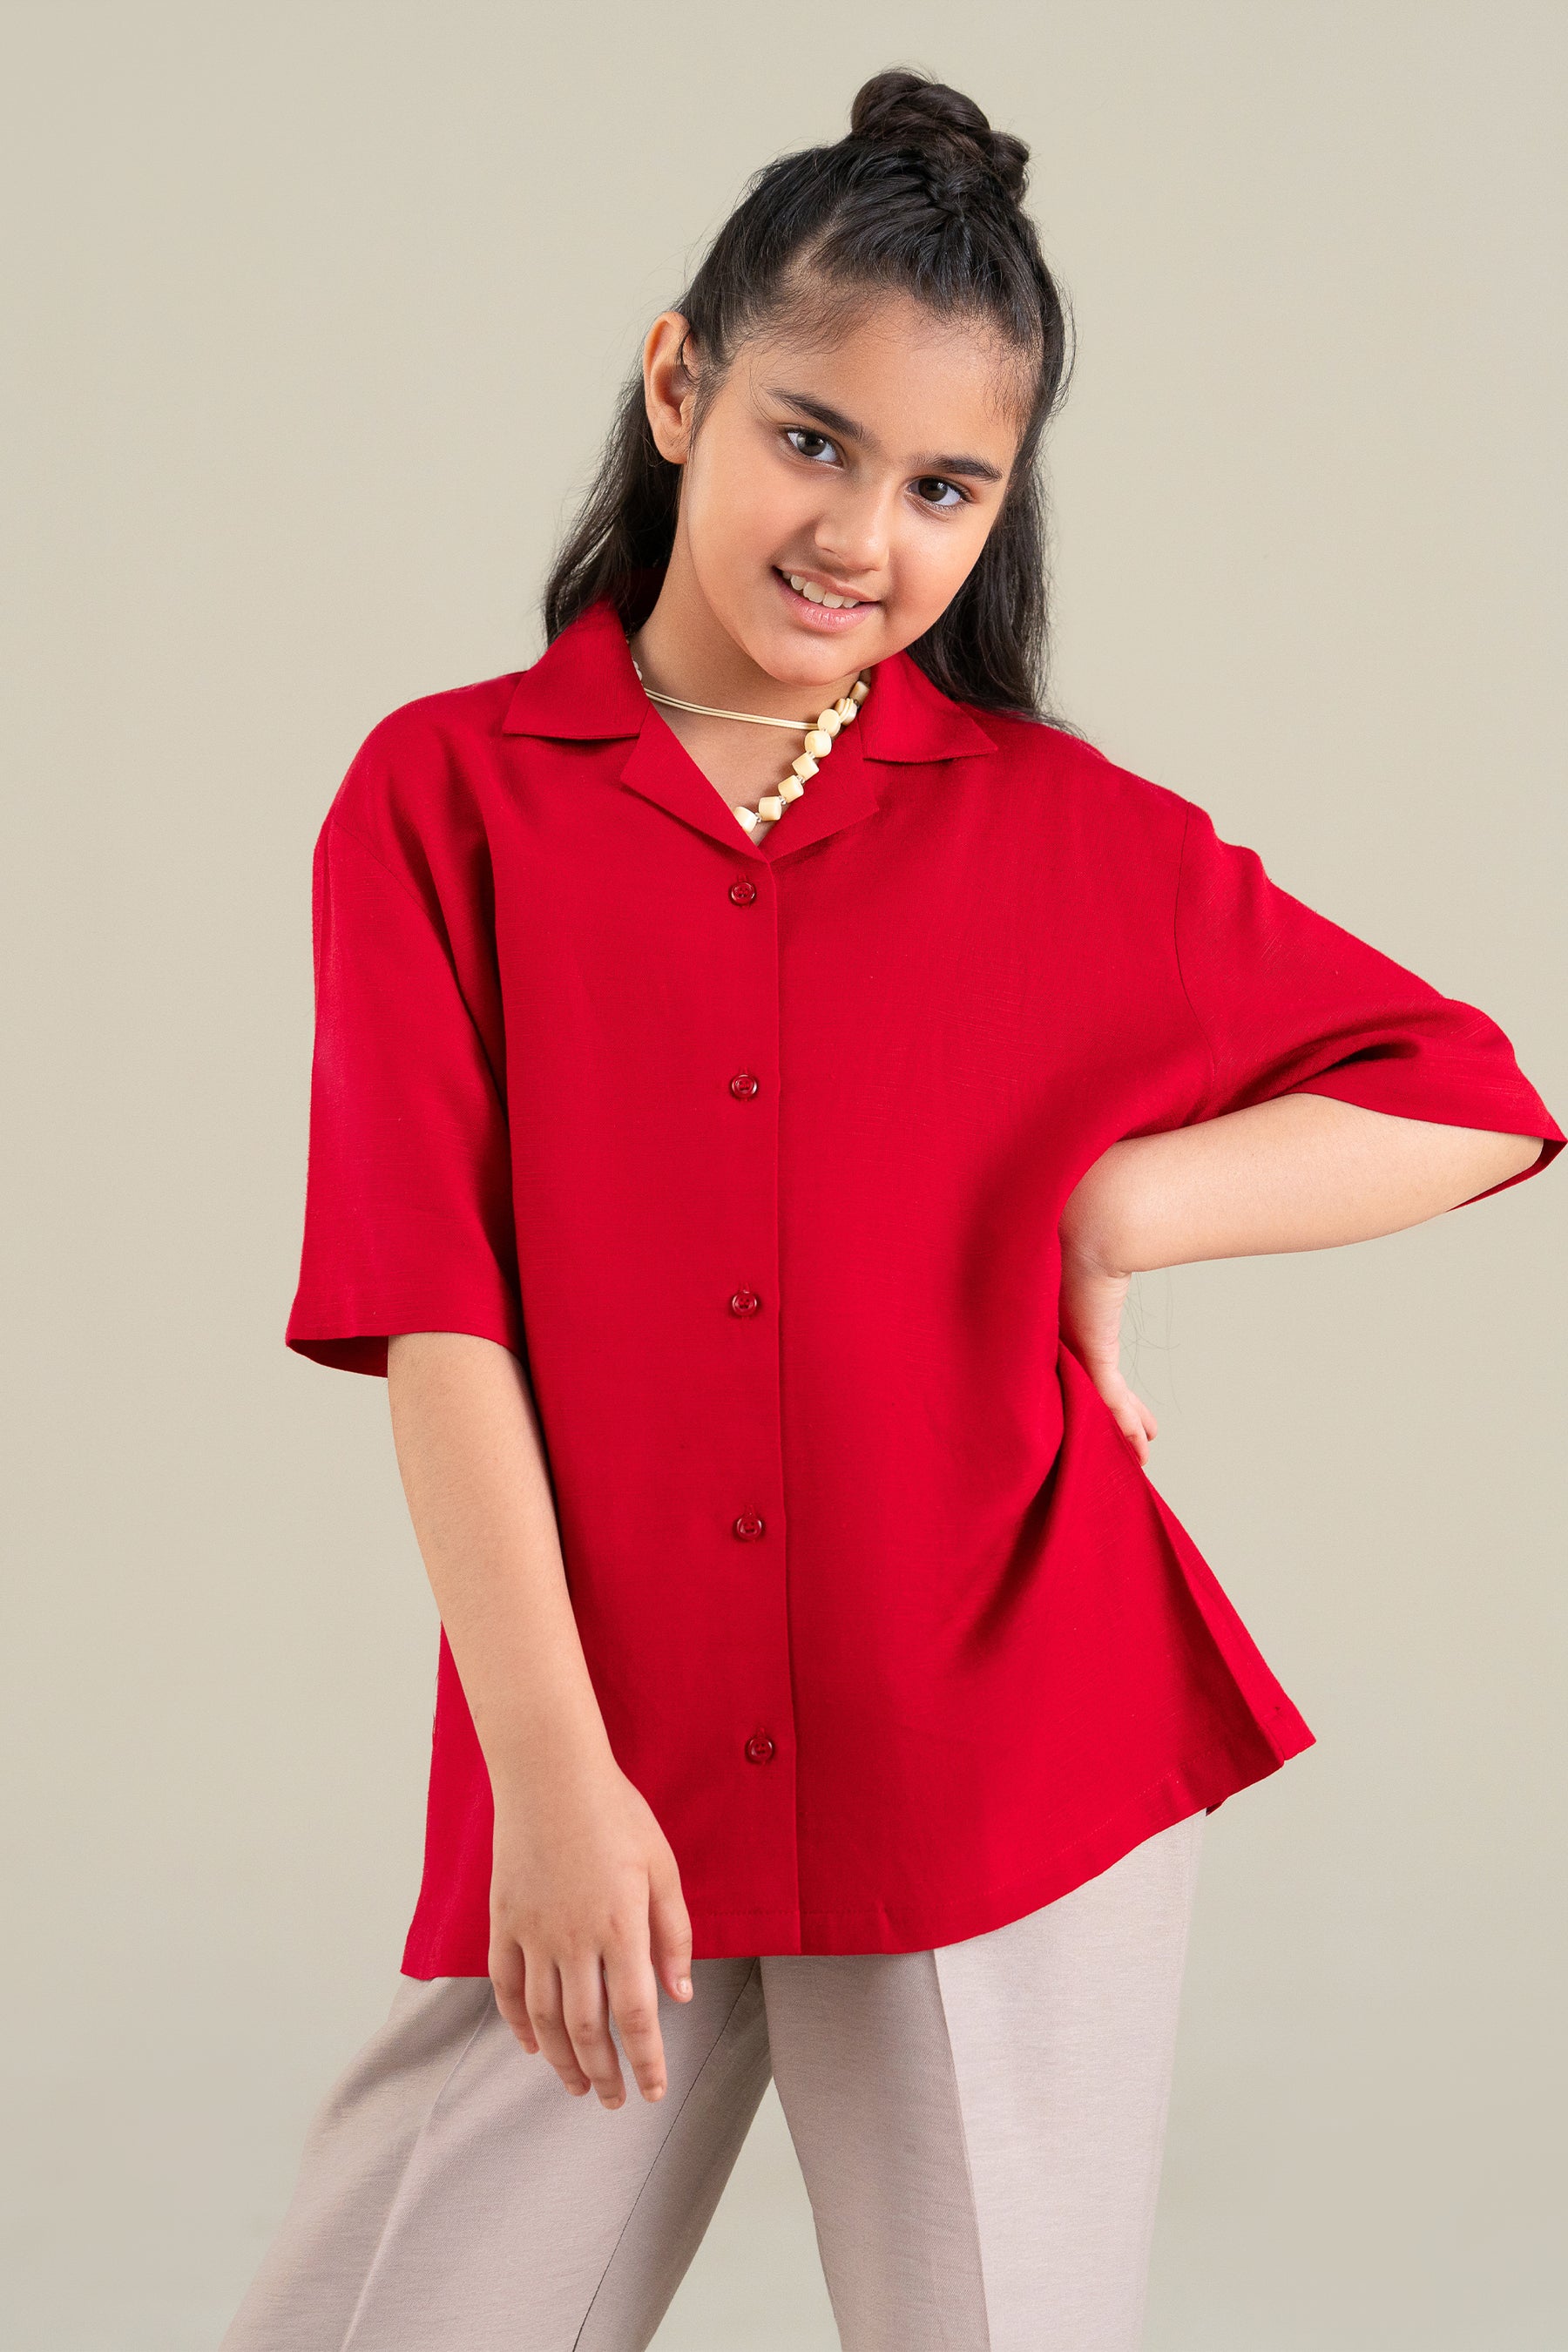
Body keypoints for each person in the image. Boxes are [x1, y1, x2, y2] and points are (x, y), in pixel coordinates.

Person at [219, 65, 1562, 2352]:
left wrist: (1117, 1208)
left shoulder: (1067, 834)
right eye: (813, 440)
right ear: (680, 388)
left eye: (945, 485)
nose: (863, 532)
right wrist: (553, 1780)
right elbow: (436, 1312)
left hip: (998, 1740)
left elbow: (1478, 1096)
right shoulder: (446, 800)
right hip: (608, 1758)